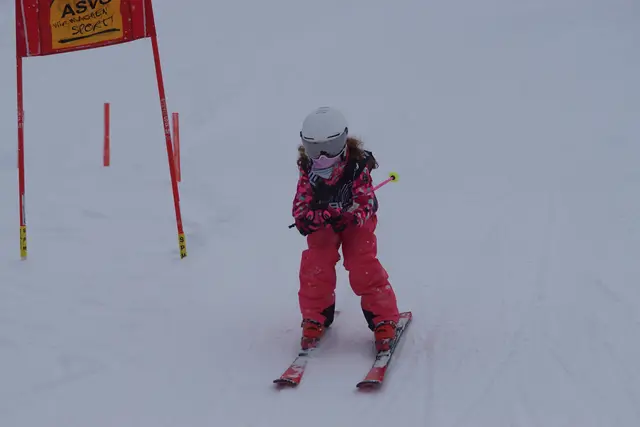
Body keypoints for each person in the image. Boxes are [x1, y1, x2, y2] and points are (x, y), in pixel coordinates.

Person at [292, 106, 400, 352]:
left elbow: (367, 202)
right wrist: (310, 218)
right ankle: (315, 315)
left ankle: (383, 317)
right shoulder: (308, 168)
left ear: (343, 142)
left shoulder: (356, 165)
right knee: (316, 262)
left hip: (355, 222)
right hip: (325, 222)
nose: (321, 157)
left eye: (329, 148)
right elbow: (300, 205)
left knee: (361, 262)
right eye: (314, 149)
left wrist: (351, 216)